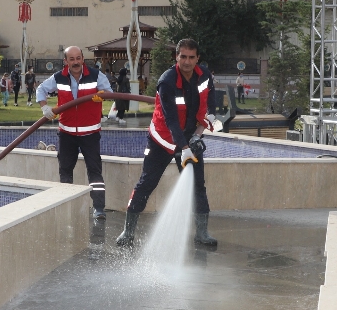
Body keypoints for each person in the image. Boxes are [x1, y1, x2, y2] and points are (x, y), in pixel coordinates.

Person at [117, 38, 218, 248]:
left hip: (190, 137)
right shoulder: (167, 81)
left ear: (198, 58)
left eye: (192, 57)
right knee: (146, 184)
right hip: (162, 140)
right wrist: (184, 148)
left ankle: (201, 233)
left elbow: (211, 110)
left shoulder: (205, 76)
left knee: (198, 186)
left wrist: (198, 136)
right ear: (177, 57)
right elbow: (171, 120)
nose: (187, 62)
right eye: (183, 57)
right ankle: (128, 232)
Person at [36, 45, 113, 220]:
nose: (76, 62)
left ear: (82, 59)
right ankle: (66, 205)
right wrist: (45, 107)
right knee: (65, 169)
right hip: (67, 133)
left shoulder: (95, 75)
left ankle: (99, 208)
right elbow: (40, 89)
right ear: (66, 62)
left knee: (94, 170)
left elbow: (110, 92)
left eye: (78, 58)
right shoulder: (59, 78)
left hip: (90, 133)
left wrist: (102, 95)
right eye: (72, 59)